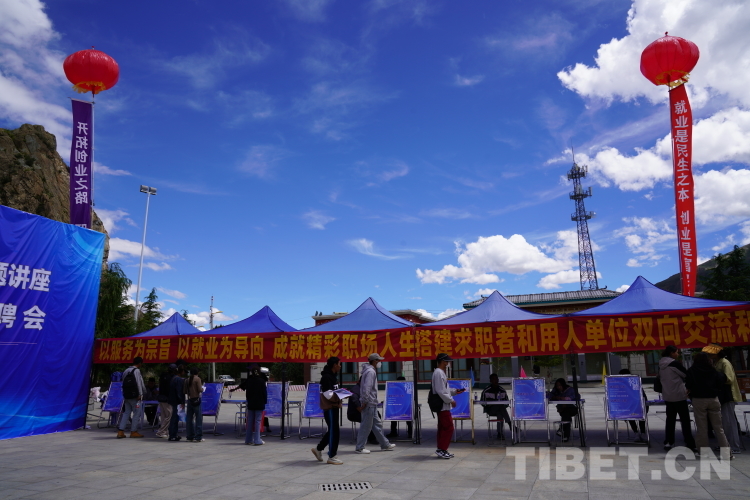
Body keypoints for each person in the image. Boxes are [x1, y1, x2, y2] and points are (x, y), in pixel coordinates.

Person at [686, 352, 733, 459]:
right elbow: (721, 381)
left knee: (702, 428)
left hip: (698, 400)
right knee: (719, 428)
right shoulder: (713, 371)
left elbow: (688, 385)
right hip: (713, 399)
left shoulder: (691, 371)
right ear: (708, 360)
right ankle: (727, 454)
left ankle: (703, 452)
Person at [705, 344, 743, 453]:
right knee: (722, 423)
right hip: (721, 396)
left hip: (728, 395)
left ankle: (734, 446)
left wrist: (715, 376)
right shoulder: (717, 362)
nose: (709, 354)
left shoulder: (725, 363)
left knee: (729, 422)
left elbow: (729, 378)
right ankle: (725, 444)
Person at [355, 353, 396, 454]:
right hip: (369, 403)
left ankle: (385, 444)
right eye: (378, 360)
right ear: (374, 361)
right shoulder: (370, 372)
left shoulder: (369, 371)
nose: (380, 362)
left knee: (377, 425)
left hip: (372, 403)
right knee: (366, 426)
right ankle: (360, 447)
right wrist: (365, 401)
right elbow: (367, 387)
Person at [658, 345, 696, 452]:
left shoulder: (660, 364)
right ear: (671, 353)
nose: (678, 354)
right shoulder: (674, 363)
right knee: (685, 420)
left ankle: (668, 442)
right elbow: (686, 375)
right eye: (677, 352)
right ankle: (689, 442)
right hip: (679, 395)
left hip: (667, 395)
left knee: (670, 420)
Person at [312, 357, 344, 465]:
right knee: (334, 432)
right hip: (330, 408)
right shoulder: (326, 377)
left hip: (334, 407)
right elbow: (328, 395)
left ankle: (318, 449)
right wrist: (341, 395)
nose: (340, 366)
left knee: (333, 431)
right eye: (339, 364)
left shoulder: (333, 376)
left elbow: (334, 391)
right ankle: (332, 456)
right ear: (334, 365)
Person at [432, 353, 464, 459]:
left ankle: (441, 449)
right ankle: (442, 449)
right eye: (446, 361)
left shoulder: (440, 372)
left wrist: (455, 391)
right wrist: (451, 400)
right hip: (442, 406)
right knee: (449, 427)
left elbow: (444, 389)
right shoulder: (438, 373)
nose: (448, 363)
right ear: (442, 361)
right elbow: (441, 391)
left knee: (443, 428)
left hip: (443, 405)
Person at [117, 356, 146, 439]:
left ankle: (120, 431)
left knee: (126, 413)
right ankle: (133, 431)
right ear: (140, 363)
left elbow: (123, 382)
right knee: (137, 413)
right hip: (135, 396)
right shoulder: (137, 371)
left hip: (127, 395)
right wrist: (141, 394)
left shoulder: (126, 370)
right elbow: (139, 383)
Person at [618, 369, 648, 442]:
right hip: (634, 405)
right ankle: (641, 433)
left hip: (636, 404)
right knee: (638, 418)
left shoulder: (633, 382)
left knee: (634, 418)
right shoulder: (634, 382)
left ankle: (637, 433)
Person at [480, 373, 511, 440]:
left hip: (500, 410)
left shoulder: (502, 390)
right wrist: (490, 404)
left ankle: (499, 433)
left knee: (500, 412)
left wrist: (500, 405)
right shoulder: (486, 390)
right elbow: (482, 402)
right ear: (490, 381)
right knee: (500, 406)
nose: (496, 380)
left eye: (496, 379)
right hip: (490, 410)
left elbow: (507, 403)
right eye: (494, 379)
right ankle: (510, 424)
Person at [243, 363, 268, 446]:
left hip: (251, 403)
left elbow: (247, 393)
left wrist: (248, 400)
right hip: (259, 403)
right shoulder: (261, 381)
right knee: (257, 421)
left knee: (249, 421)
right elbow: (264, 392)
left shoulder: (249, 380)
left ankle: (248, 439)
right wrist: (265, 401)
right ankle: (257, 440)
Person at [549, 378, 578, 442]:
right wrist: (556, 397)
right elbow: (550, 395)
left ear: (563, 385)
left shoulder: (570, 390)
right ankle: (564, 434)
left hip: (572, 408)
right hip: (562, 409)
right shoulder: (556, 390)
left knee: (566, 414)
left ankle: (562, 431)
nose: (558, 387)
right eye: (557, 386)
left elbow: (576, 396)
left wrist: (565, 399)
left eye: (560, 385)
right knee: (566, 416)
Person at [156, 364, 177, 438]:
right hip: (167, 399)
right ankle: (161, 431)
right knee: (168, 415)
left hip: (161, 397)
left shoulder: (163, 376)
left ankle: (164, 431)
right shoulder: (171, 378)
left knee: (164, 416)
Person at [184, 368, 204, 442]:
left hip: (189, 400)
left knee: (189, 418)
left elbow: (184, 391)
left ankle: (190, 436)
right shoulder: (197, 379)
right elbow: (199, 389)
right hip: (196, 400)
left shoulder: (187, 380)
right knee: (198, 418)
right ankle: (198, 436)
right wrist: (202, 389)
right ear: (197, 372)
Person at [168, 365, 186, 441]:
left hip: (172, 400)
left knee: (174, 418)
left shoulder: (173, 378)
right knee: (174, 418)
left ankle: (173, 434)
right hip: (176, 401)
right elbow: (179, 392)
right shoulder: (178, 379)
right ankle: (173, 435)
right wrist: (182, 401)